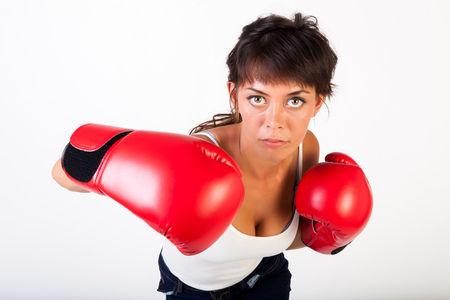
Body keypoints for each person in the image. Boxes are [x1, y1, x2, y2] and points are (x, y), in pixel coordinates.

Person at [53, 13, 372, 299]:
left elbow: (269, 242)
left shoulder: (307, 149)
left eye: (295, 101)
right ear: (234, 95)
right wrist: (118, 172)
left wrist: (334, 234)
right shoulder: (199, 160)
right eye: (258, 97)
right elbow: (64, 170)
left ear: (317, 103)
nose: (274, 121)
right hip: (190, 293)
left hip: (267, 279)